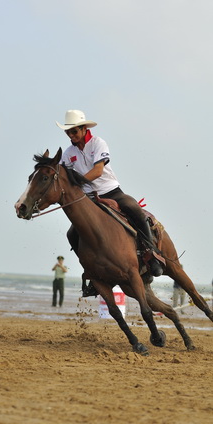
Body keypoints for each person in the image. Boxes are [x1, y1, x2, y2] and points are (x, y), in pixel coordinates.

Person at [56, 109, 165, 295]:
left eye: (74, 131)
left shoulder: (98, 143)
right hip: (88, 199)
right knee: (72, 234)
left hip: (111, 191)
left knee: (134, 209)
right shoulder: (68, 153)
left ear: (83, 129)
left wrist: (77, 183)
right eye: (68, 132)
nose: (71, 135)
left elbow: (98, 170)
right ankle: (91, 273)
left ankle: (152, 254)